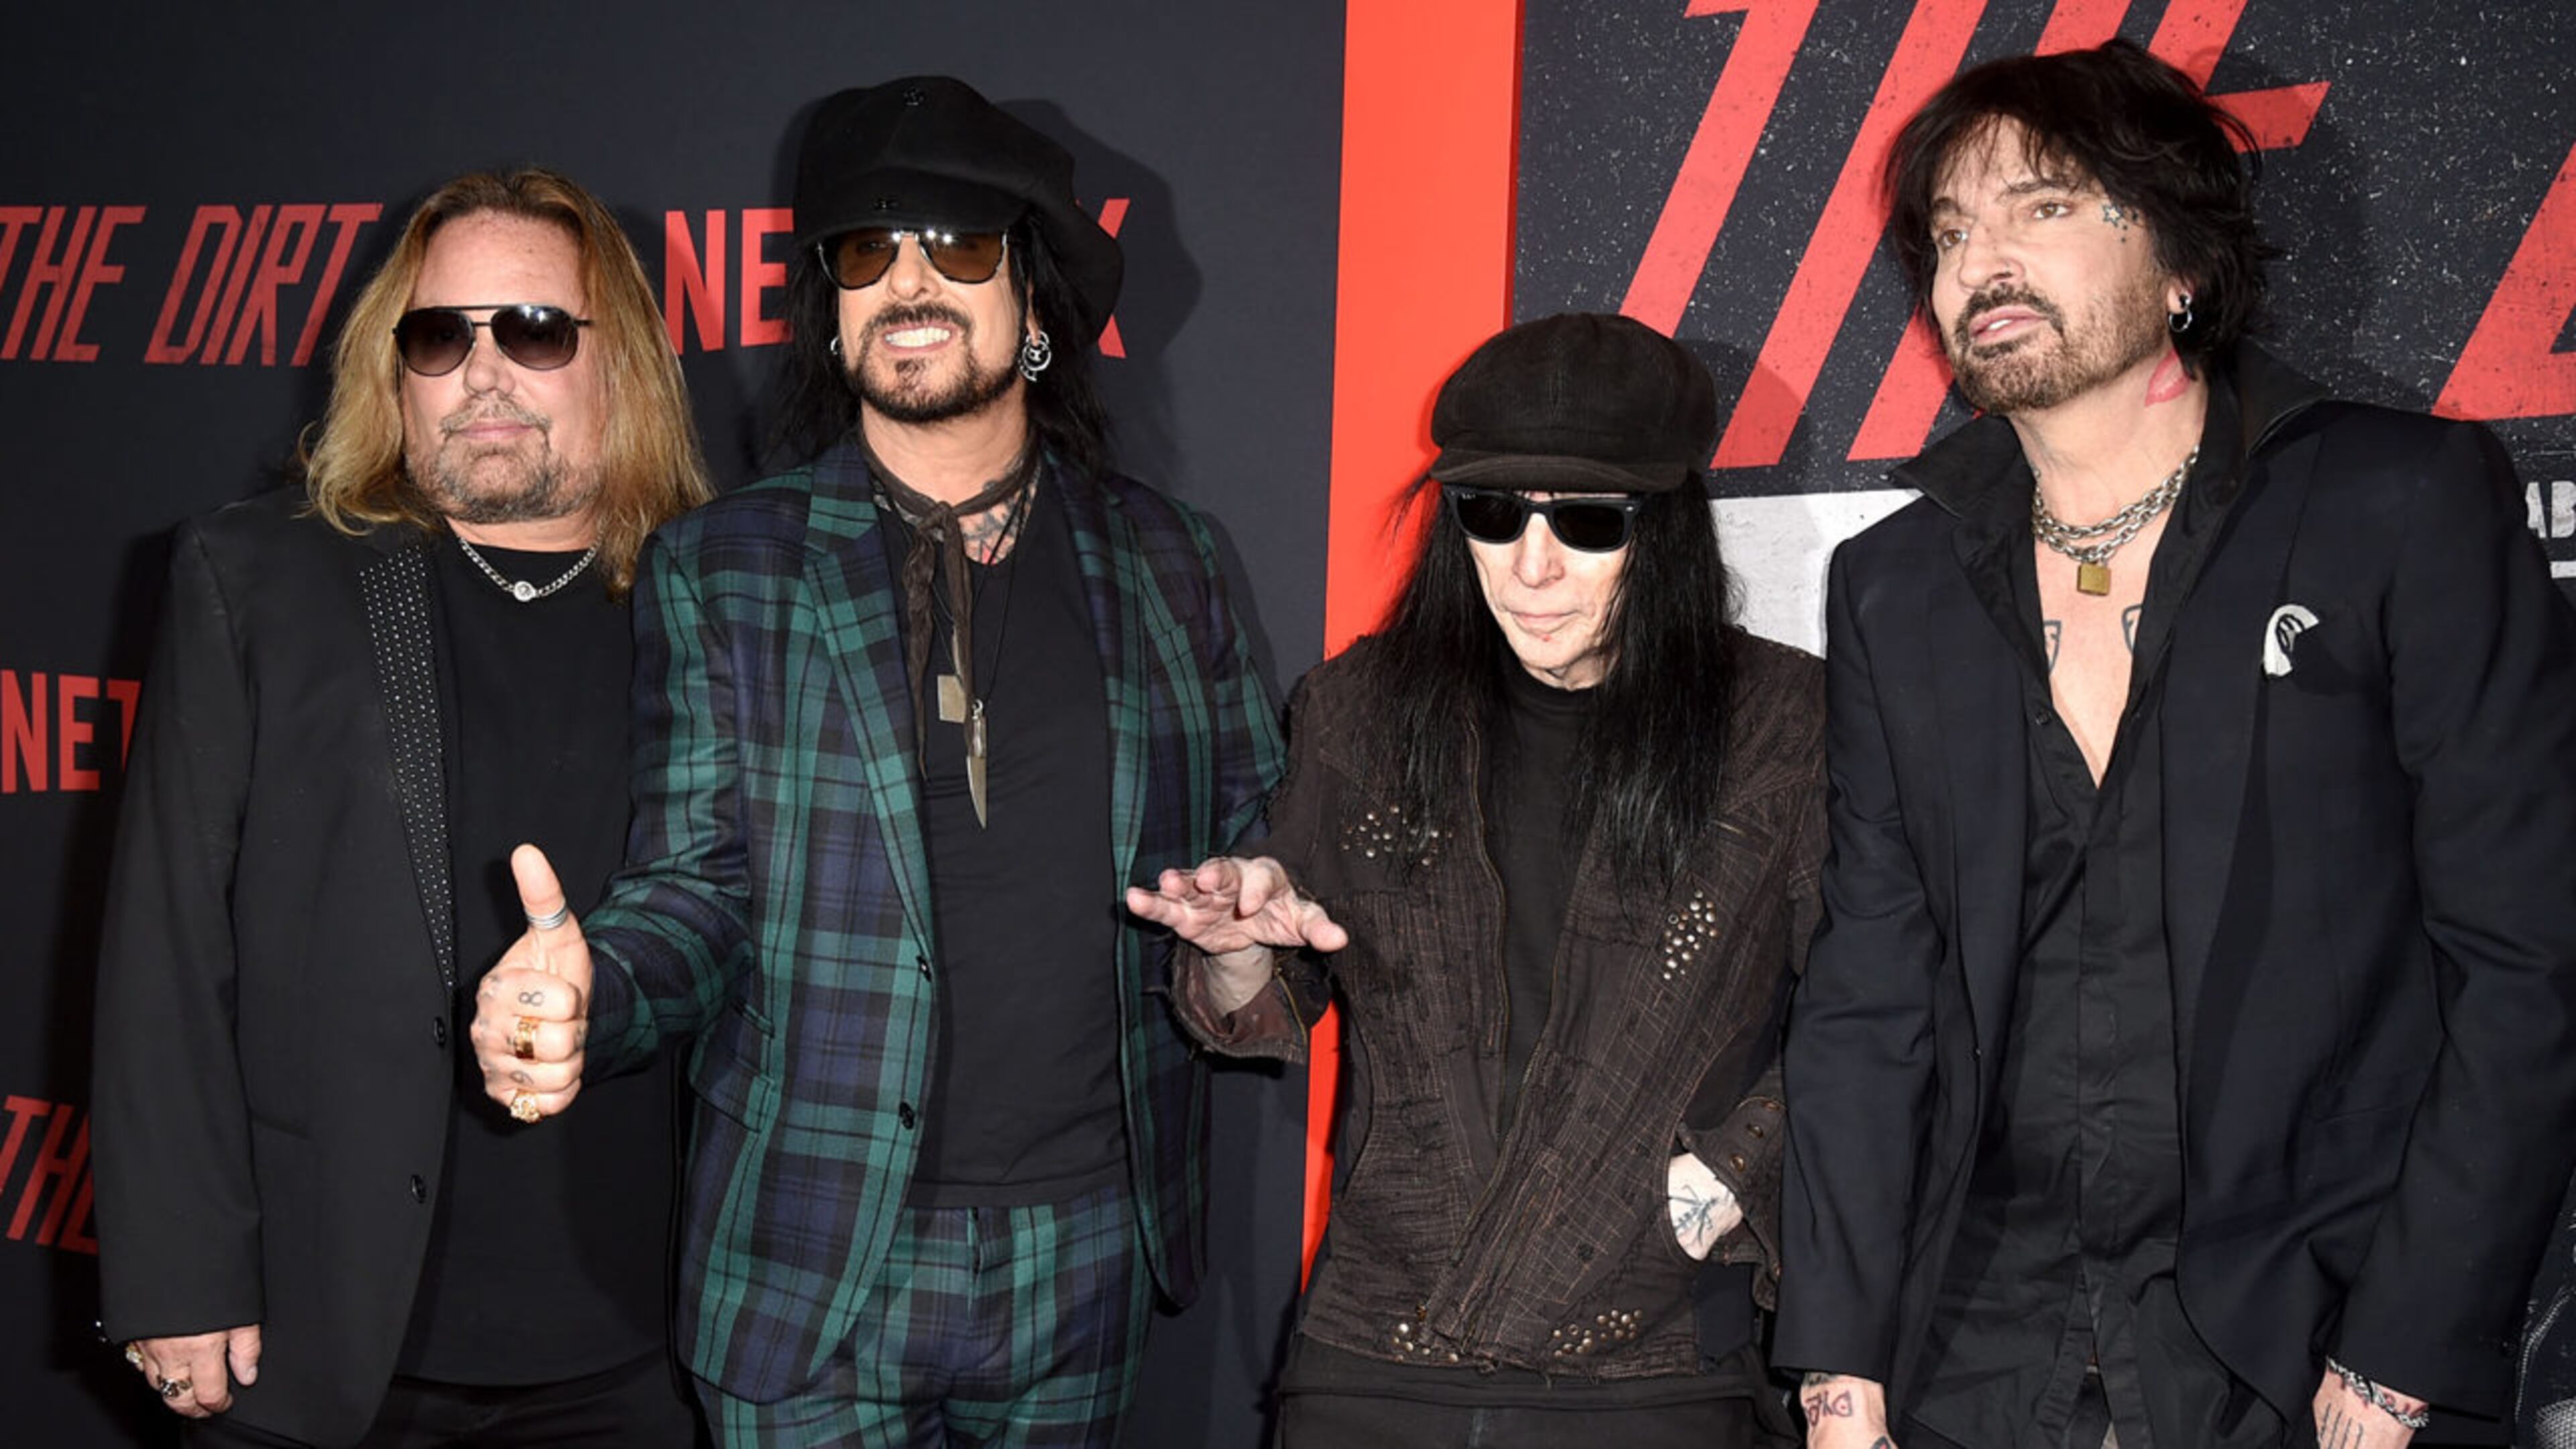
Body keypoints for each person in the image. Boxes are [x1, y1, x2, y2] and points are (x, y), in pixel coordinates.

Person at [1776, 40, 2576, 1449]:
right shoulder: (1892, 588)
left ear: (2182, 261)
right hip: (1978, 1359)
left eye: (2043, 206)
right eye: (1952, 232)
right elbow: (1866, 1001)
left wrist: (2400, 1357)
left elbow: (2528, 960)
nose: (1982, 259)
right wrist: (1839, 1374)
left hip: (2306, 1352)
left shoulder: (2398, 505)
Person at [466, 76, 1282, 1447]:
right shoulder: (722, 567)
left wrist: (1245, 960)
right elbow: (698, 890)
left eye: (957, 246)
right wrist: (594, 988)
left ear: (1033, 301)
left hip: (1084, 1254)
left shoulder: (1170, 559)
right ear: (832, 314)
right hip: (812, 1257)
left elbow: (1256, 848)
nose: (909, 283)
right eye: (866, 252)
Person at [91, 168, 712, 1446]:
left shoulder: (718, 593)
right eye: (441, 335)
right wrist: (175, 1272)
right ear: (397, 369)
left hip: (644, 1344)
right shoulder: (256, 576)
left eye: (534, 330)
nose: (483, 372)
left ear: (625, 363)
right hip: (325, 1337)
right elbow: (165, 948)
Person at [1130, 311, 1823, 1447]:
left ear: (1672, 529)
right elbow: (1272, 999)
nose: (1531, 567)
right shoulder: (1360, 711)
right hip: (1374, 1355)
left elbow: (1872, 1018)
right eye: (1493, 515)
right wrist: (1244, 950)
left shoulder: (1783, 726)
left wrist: (1724, 1180)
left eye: (1588, 522)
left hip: (1648, 1362)